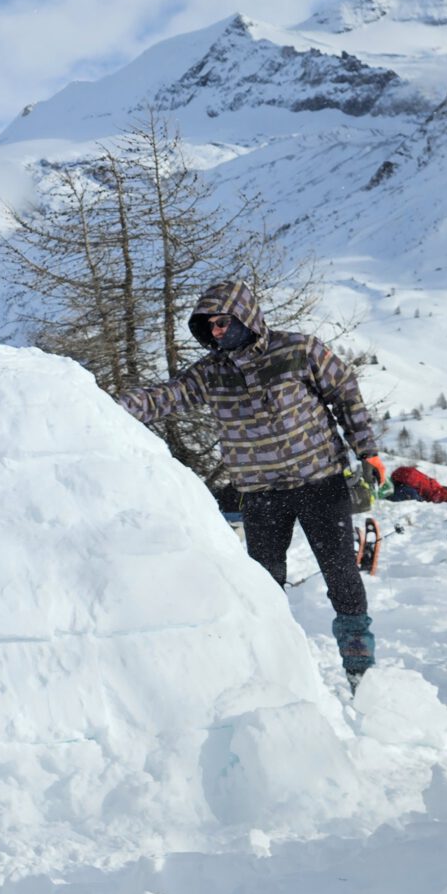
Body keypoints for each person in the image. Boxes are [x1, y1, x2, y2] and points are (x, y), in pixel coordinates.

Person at [117, 280, 385, 686]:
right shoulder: (211, 374)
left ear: (246, 316)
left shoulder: (298, 350)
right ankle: (274, 671)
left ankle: (360, 668)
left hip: (320, 482)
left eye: (223, 322)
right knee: (263, 584)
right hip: (261, 495)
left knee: (342, 577)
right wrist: (100, 401)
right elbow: (163, 398)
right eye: (209, 326)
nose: (217, 332)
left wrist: (367, 451)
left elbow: (345, 391)